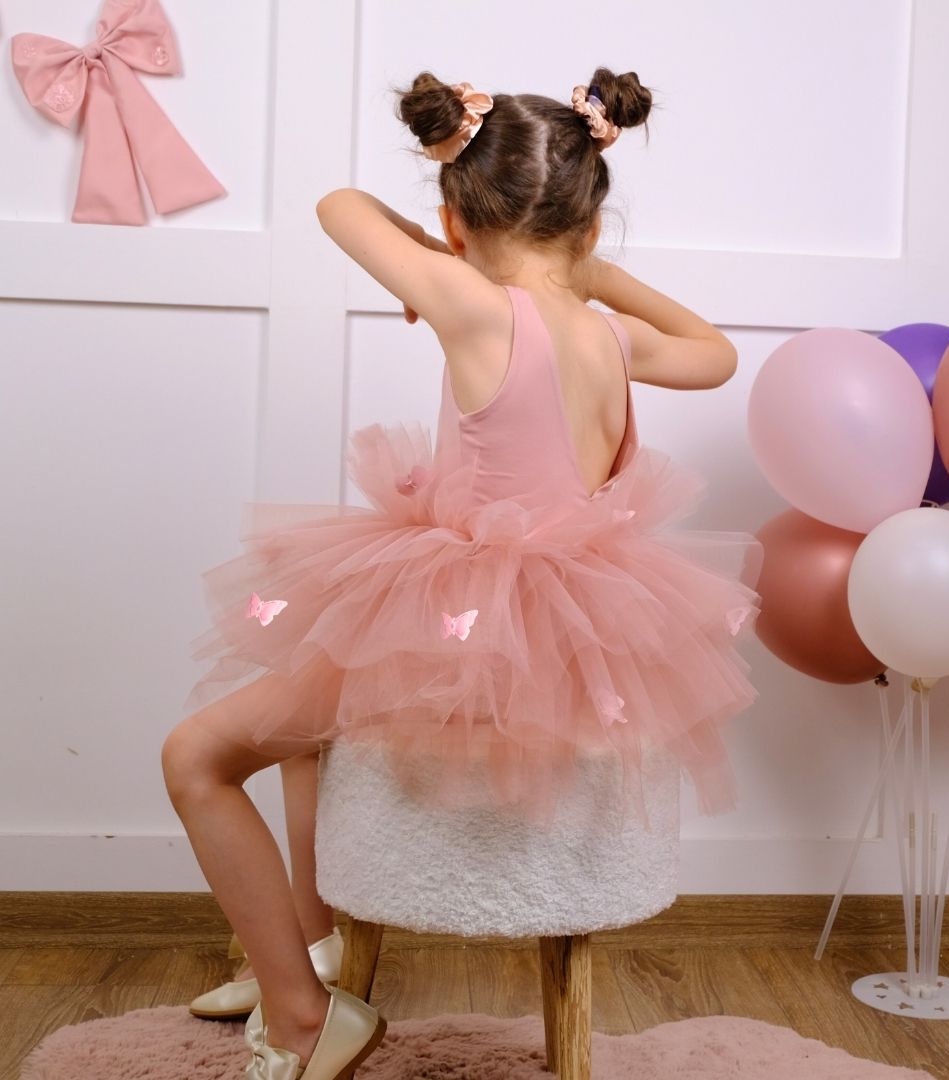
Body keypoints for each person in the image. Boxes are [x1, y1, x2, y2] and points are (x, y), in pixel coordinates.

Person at [162, 67, 764, 1079]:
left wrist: (457, 254)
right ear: (592, 227)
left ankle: (308, 1018)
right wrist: (582, 273)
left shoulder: (472, 306)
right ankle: (303, 952)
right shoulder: (608, 335)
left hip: (457, 642)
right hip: (565, 646)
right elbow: (713, 352)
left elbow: (337, 207)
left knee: (196, 757)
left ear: (452, 223)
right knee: (306, 735)